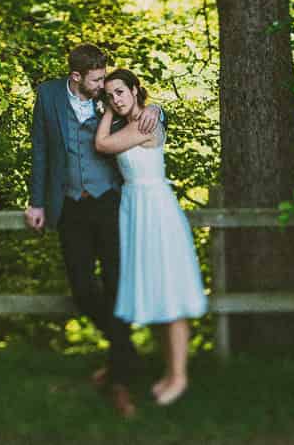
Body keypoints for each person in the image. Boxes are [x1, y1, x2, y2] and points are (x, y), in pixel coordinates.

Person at [26, 43, 154, 418]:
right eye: (96, 79)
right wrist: (36, 201)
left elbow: (141, 106)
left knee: (116, 286)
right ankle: (126, 353)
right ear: (76, 77)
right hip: (69, 206)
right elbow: (39, 150)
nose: (103, 85)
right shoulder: (48, 95)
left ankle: (119, 381)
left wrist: (156, 110)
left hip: (110, 202)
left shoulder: (110, 96)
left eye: (105, 78)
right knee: (83, 288)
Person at [94, 67, 206, 407]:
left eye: (120, 92)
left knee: (171, 294)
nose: (115, 99)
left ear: (135, 90)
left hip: (155, 211)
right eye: (110, 95)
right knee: (157, 294)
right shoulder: (132, 122)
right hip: (135, 210)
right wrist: (116, 111)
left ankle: (179, 376)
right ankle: (169, 373)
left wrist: (115, 112)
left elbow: (102, 144)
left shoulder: (146, 124)